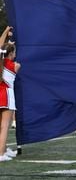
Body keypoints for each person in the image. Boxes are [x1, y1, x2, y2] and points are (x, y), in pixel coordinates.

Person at [0, 26, 21, 161]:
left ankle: (3, 149)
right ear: (11, 53)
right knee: (5, 126)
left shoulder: (1, 62)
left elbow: (1, 46)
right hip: (7, 96)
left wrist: (6, 33)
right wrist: (11, 45)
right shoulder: (15, 65)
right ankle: (1, 154)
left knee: (1, 126)